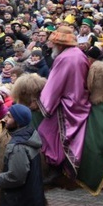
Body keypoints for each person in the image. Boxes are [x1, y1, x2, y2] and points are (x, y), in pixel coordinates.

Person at [35, 25, 91, 178]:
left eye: (53, 43)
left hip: (69, 102)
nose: (50, 45)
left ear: (60, 45)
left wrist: (43, 104)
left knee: (45, 130)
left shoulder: (63, 58)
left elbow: (54, 86)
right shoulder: (79, 53)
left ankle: (56, 167)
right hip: (81, 97)